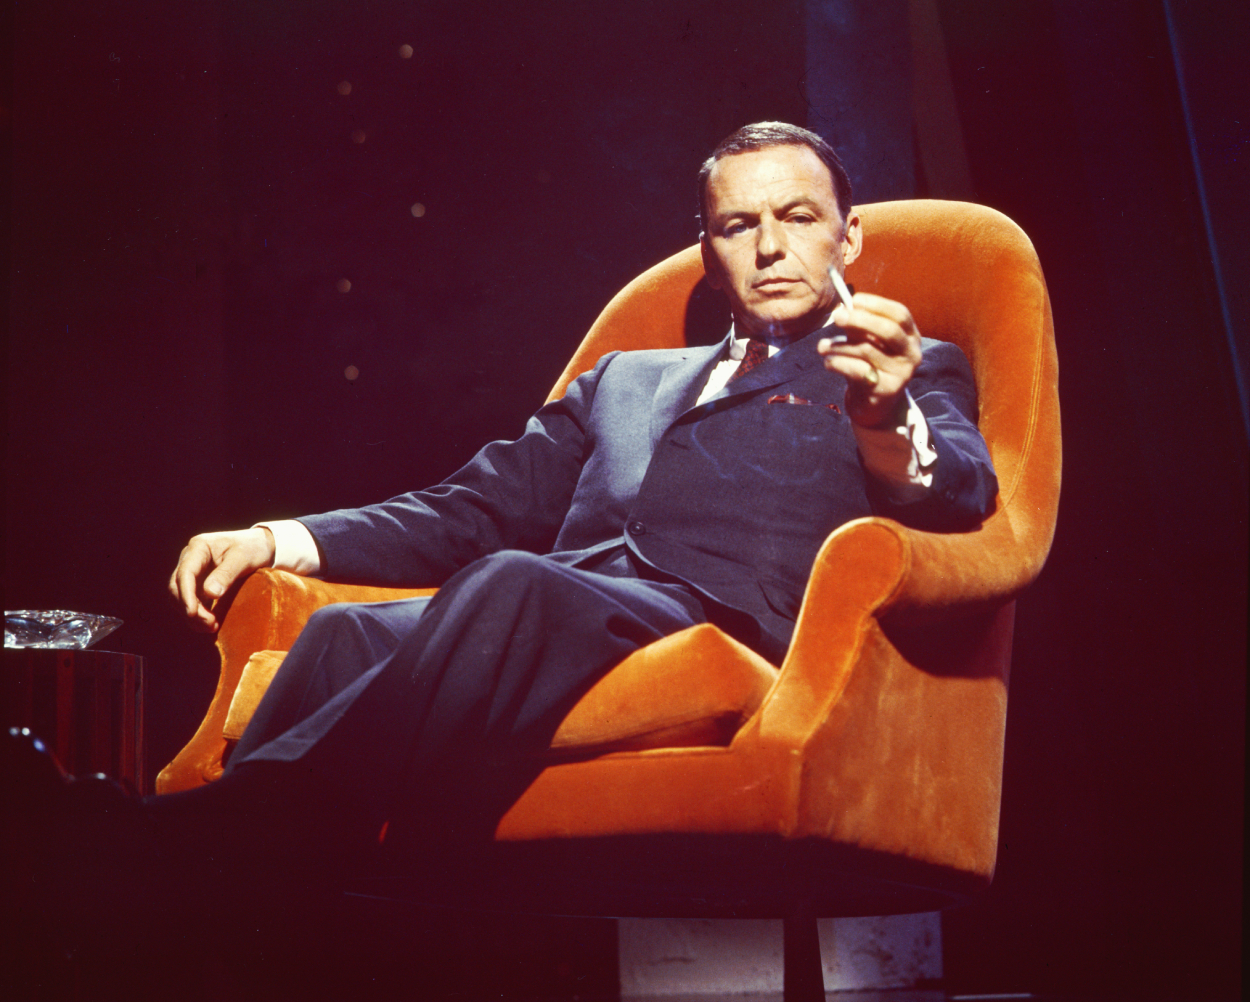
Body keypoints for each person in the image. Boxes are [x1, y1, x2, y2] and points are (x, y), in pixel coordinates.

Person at [7, 123, 996, 935]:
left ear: (847, 238)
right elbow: (473, 508)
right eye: (738, 225)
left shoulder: (900, 368)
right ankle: (249, 918)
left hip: (718, 618)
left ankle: (201, 842)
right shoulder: (624, 380)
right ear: (707, 249)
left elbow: (961, 493)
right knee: (342, 631)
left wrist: (884, 417)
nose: (769, 246)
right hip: (565, 607)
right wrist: (278, 538)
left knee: (514, 583)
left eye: (797, 218)